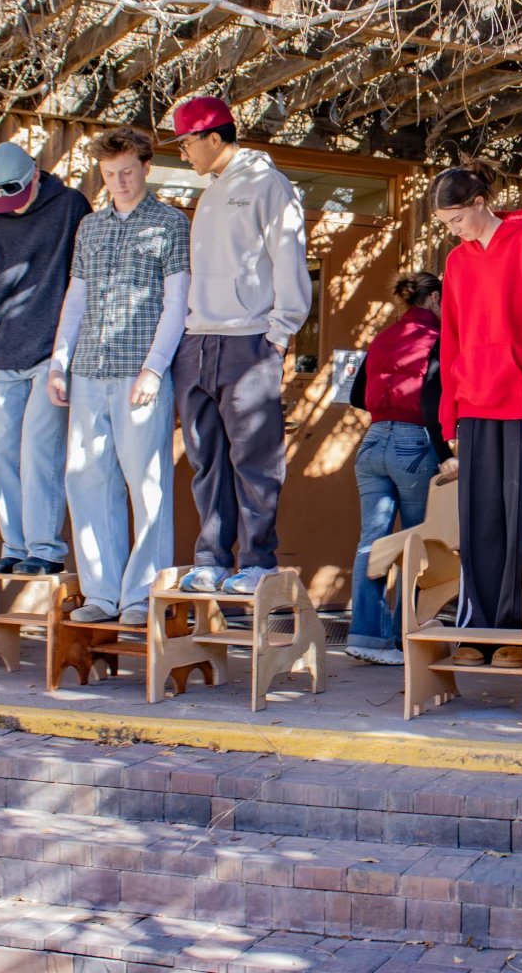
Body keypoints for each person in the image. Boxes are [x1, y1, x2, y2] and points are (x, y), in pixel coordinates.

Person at [164, 95, 312, 595]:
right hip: (198, 343)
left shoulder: (268, 185)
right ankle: (210, 560)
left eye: (186, 142)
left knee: (255, 459)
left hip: (249, 342)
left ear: (213, 137)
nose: (183, 152)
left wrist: (278, 335)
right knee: (207, 460)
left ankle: (257, 562)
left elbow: (289, 258)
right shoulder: (209, 193)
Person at [49, 127, 191, 625]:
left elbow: (177, 302)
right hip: (89, 368)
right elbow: (77, 298)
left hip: (140, 374)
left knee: (146, 484)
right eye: (110, 174)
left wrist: (156, 367)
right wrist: (58, 363)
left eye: (128, 171)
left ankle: (139, 596)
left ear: (146, 167)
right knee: (86, 481)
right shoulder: (90, 227)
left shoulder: (171, 224)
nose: (120, 181)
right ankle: (101, 594)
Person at [434, 158, 522, 667]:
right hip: (475, 405)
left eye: (456, 220)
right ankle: (479, 630)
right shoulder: (457, 262)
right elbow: (451, 338)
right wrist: (450, 413)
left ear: (479, 203)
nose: (453, 233)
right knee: (480, 522)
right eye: (445, 226)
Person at [0, 141, 92, 576]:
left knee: (39, 451)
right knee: (4, 454)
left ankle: (45, 550)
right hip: (3, 352)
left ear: (35, 175)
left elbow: (86, 272)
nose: (8, 207)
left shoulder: (69, 206)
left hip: (50, 354)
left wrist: (71, 342)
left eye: (15, 195)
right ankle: (14, 547)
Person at [345, 271, 456, 665]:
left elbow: (357, 394)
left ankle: (363, 636)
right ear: (435, 299)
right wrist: (444, 451)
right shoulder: (437, 339)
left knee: (371, 543)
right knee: (414, 543)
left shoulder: (382, 338)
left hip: (373, 440)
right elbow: (431, 400)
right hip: (413, 442)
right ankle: (402, 639)